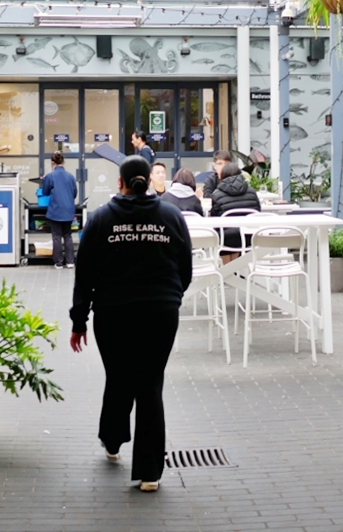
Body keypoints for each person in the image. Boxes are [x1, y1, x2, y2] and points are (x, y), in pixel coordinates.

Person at [69, 155, 193, 493]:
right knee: (150, 385)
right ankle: (150, 473)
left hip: (113, 313)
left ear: (120, 183)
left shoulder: (100, 219)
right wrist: (171, 297)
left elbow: (84, 275)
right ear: (150, 181)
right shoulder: (171, 216)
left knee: (120, 377)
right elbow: (186, 269)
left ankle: (112, 440)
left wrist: (79, 320)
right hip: (161, 312)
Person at [209, 162, 261, 258]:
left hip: (226, 239)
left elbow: (214, 220)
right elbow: (257, 213)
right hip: (249, 237)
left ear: (223, 175)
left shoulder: (217, 194)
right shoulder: (252, 192)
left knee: (223, 237)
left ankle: (228, 272)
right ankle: (235, 270)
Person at [40, 151, 79, 269]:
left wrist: (44, 180)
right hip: (68, 210)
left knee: (56, 236)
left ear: (53, 163)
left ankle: (58, 262)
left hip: (55, 210)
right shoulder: (71, 176)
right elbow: (74, 193)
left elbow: (45, 192)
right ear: (64, 161)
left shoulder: (50, 176)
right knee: (68, 235)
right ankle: (70, 262)